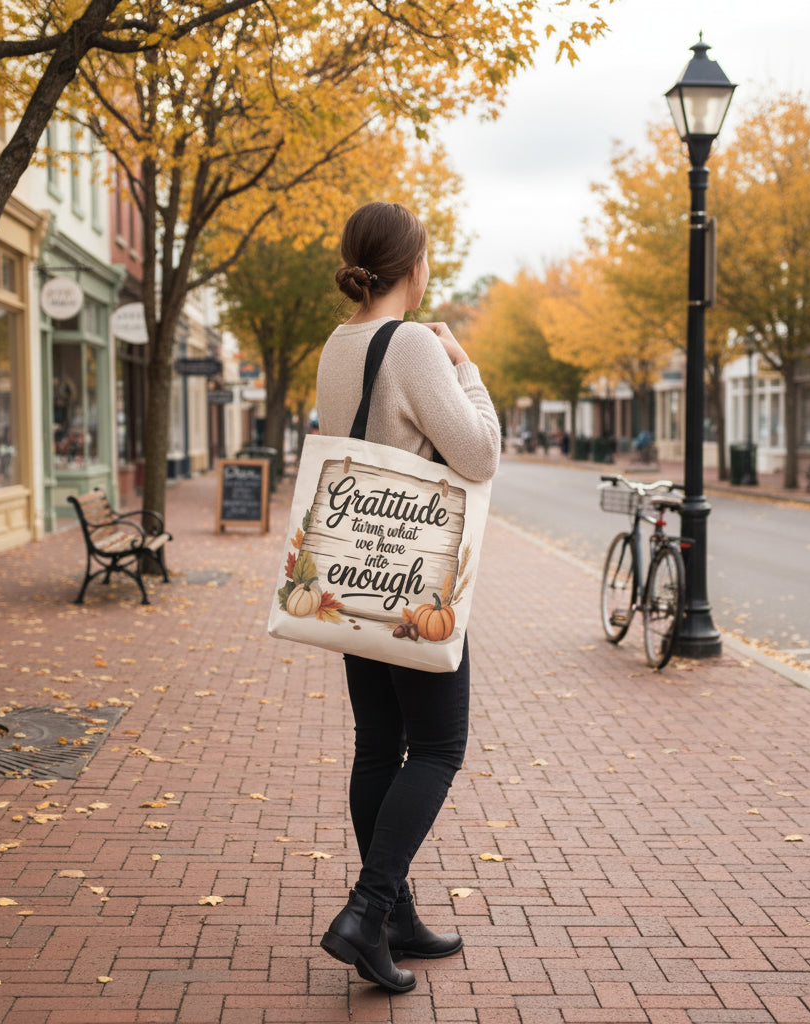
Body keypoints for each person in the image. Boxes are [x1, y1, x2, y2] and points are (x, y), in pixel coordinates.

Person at [315, 201, 500, 993]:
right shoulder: (417, 344)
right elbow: (481, 454)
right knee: (437, 747)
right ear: (413, 266)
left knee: (376, 747)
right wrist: (468, 369)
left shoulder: (337, 342)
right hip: (413, 580)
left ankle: (394, 918)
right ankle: (366, 910)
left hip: (354, 576)